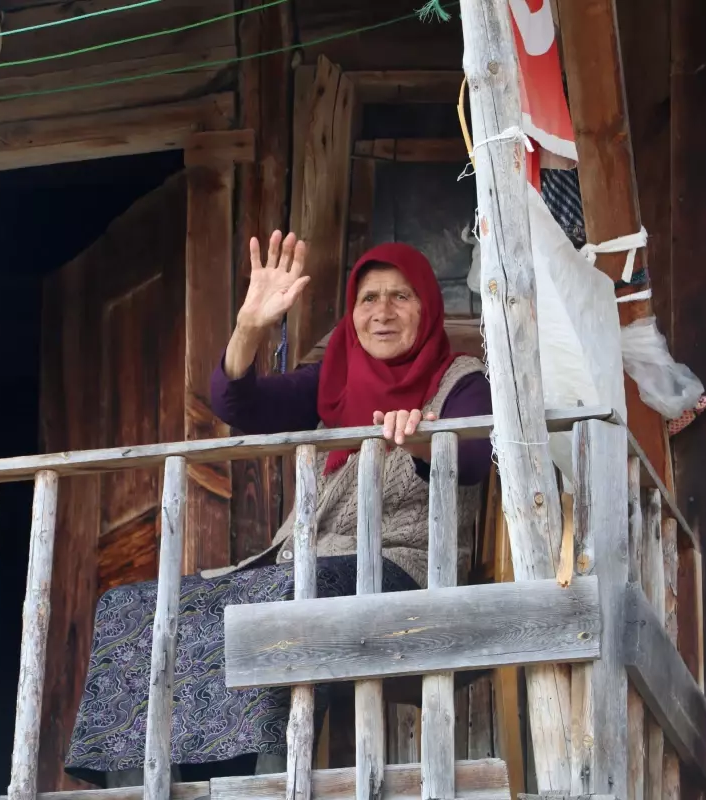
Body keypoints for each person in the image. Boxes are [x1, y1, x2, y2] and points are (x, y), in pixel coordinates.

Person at [64, 233, 492, 786]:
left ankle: (252, 779)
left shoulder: (461, 382)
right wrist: (250, 324)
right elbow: (237, 403)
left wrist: (417, 440)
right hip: (305, 567)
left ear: (427, 307)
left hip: (403, 570)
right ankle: (148, 783)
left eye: (401, 296)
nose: (382, 312)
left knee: (273, 602)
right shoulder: (334, 381)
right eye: (368, 298)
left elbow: (478, 458)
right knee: (137, 605)